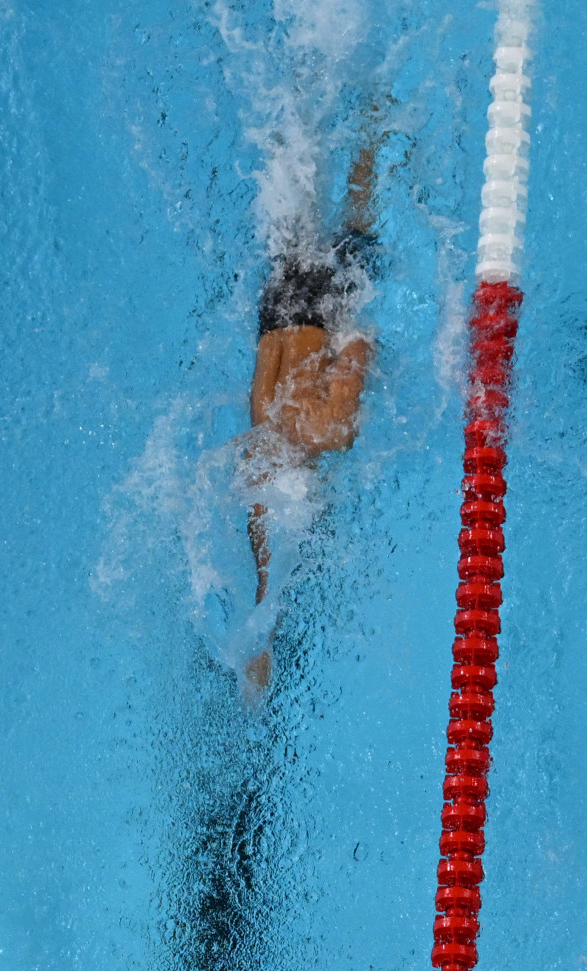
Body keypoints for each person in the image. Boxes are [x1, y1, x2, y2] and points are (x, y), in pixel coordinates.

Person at [239, 123, 382, 693]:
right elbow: (269, 348)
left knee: (358, 218)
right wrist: (261, 647)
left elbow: (358, 346)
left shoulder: (329, 434)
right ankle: (296, 115)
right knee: (293, 196)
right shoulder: (259, 441)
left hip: (328, 305)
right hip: (277, 308)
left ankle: (374, 124)